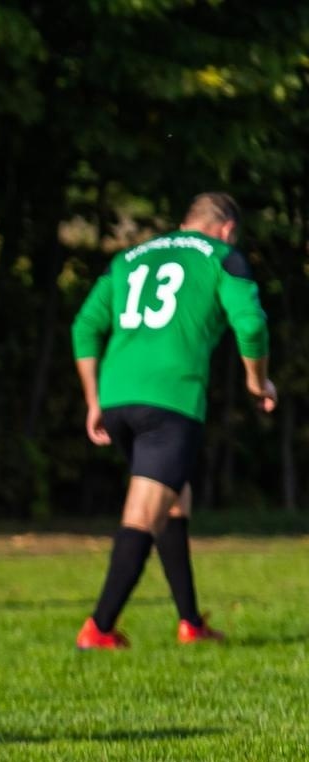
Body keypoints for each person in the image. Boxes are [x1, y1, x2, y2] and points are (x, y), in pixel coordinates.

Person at [70, 192, 274, 649]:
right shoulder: (224, 256)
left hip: (118, 399)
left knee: (174, 501)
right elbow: (252, 324)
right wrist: (257, 381)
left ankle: (190, 624)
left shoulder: (129, 257)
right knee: (144, 512)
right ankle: (99, 628)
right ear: (226, 228)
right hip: (170, 401)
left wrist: (93, 399)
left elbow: (84, 326)